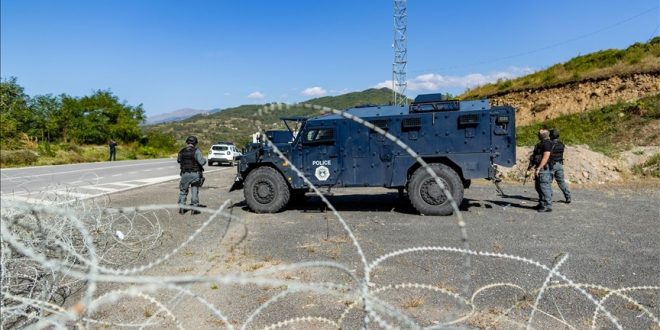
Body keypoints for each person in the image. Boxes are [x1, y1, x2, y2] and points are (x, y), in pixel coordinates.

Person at [177, 136, 207, 214]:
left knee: (183, 191)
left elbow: (179, 160)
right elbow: (202, 162)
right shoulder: (197, 151)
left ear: (187, 142)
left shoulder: (182, 151)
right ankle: (194, 208)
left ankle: (182, 208)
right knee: (194, 191)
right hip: (195, 174)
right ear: (195, 143)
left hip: (184, 174)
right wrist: (204, 160)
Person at [531, 128, 554, 212]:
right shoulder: (541, 143)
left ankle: (548, 205)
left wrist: (539, 168)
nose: (538, 134)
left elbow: (545, 157)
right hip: (540, 167)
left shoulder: (547, 144)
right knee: (538, 187)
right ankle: (542, 203)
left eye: (540, 133)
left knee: (544, 187)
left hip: (544, 168)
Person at [549, 128, 571, 204]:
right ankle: (568, 196)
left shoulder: (549, 144)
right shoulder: (561, 144)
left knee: (548, 183)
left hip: (551, 165)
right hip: (559, 164)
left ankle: (548, 198)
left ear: (551, 135)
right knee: (561, 182)